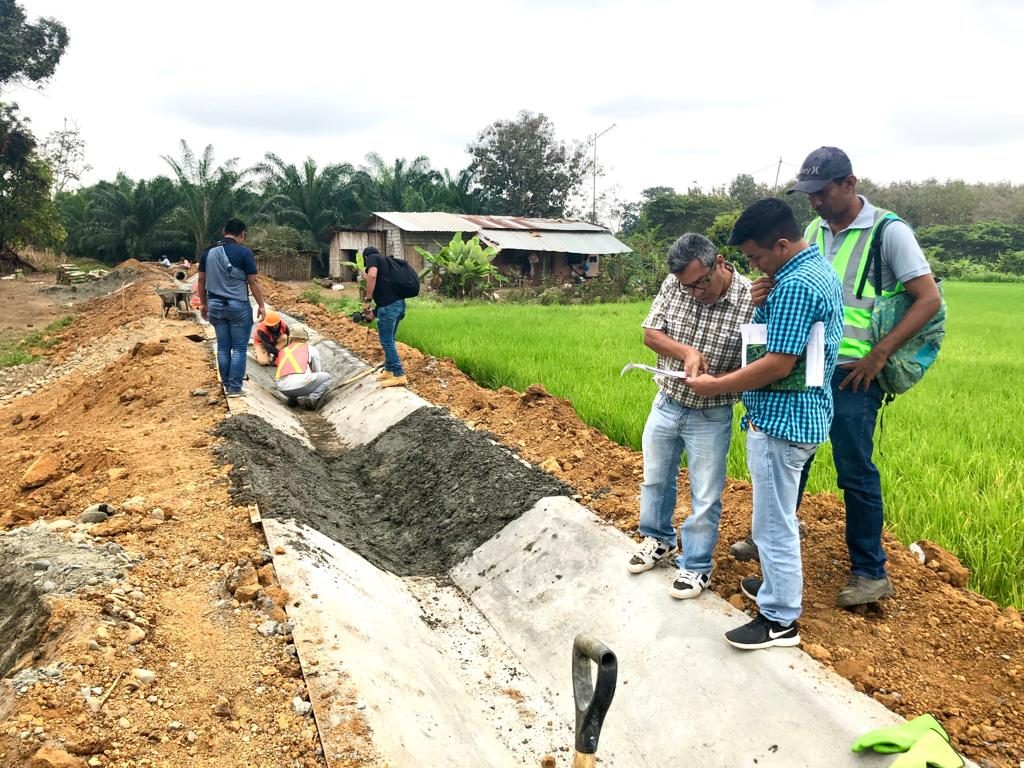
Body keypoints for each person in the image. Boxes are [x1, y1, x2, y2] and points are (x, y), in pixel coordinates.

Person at [730, 147, 943, 608]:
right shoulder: (809, 232)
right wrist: (766, 291)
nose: (815, 202)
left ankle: (870, 571)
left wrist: (878, 356)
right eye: (809, 194)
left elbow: (928, 299)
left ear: (849, 183)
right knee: (795, 457)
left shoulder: (888, 231)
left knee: (854, 469)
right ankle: (771, 538)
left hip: (855, 373)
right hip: (809, 369)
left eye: (822, 192)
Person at [685, 198, 843, 650]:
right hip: (800, 416)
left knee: (773, 527)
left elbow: (778, 363)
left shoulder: (795, 285)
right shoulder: (811, 272)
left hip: (782, 422)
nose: (752, 266)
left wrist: (717, 386)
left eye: (755, 257)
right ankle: (776, 588)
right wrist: (763, 301)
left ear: (781, 244)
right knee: (776, 519)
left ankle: (779, 619)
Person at [627, 233, 754, 601]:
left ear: (720, 262)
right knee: (655, 479)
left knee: (706, 495)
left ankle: (697, 566)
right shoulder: (676, 284)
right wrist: (687, 352)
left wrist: (718, 384)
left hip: (711, 413)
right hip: (667, 401)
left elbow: (760, 364)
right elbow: (651, 334)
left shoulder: (751, 300)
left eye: (702, 283)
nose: (696, 292)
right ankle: (659, 540)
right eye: (688, 286)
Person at [198, 218, 266, 397]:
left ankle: (227, 385)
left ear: (224, 232)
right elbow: (253, 281)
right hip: (238, 306)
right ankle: (235, 388)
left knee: (222, 347)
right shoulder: (244, 252)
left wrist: (203, 303)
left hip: (215, 304)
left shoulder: (208, 252)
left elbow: (201, 280)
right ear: (242, 234)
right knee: (239, 348)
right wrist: (261, 305)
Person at [361, 246, 408, 388]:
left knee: (387, 341)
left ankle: (399, 375)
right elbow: (387, 297)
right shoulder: (388, 265)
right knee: (390, 340)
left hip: (390, 308)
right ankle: (388, 371)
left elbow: (372, 276)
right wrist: (374, 313)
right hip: (399, 305)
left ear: (366, 258)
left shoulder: (372, 258)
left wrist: (367, 300)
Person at [274, 323, 332, 410]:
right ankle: (312, 399)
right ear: (304, 338)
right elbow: (317, 370)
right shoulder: (310, 349)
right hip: (300, 386)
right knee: (327, 377)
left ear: (291, 338)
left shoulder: (283, 351)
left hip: (282, 388)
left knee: (294, 376)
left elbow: (283, 369)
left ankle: (292, 398)